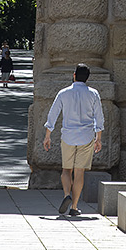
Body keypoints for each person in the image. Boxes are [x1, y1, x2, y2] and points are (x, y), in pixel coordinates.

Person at [42, 63, 104, 217]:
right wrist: (99, 138)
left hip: (68, 136)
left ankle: (66, 195)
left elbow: (53, 114)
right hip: (86, 137)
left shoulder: (63, 93)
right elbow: (99, 117)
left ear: (74, 75)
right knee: (79, 172)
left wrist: (47, 135)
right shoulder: (94, 94)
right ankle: (74, 207)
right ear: (87, 78)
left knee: (66, 170)